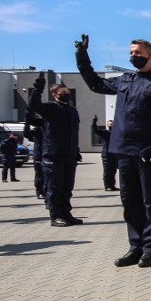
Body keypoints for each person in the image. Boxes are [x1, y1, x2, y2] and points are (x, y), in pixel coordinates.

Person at [76, 35, 151, 268]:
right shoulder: (124, 80)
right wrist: (82, 56)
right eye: (131, 53)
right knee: (130, 202)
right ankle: (135, 247)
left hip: (150, 153)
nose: (134, 56)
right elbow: (94, 84)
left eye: (138, 53)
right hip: (124, 151)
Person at [28, 80, 82, 227]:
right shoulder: (50, 108)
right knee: (54, 187)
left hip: (69, 155)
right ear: (54, 95)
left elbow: (74, 133)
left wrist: (75, 151)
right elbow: (34, 105)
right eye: (62, 93)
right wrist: (36, 91)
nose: (66, 95)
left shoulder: (72, 111)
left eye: (67, 93)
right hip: (53, 155)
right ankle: (56, 216)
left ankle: (66, 214)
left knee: (67, 188)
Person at [92, 116, 119, 191]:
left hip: (114, 155)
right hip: (106, 156)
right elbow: (95, 130)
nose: (111, 126)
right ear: (107, 125)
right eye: (110, 125)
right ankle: (107, 186)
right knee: (107, 172)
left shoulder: (116, 134)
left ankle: (112, 185)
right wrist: (94, 122)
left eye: (112, 125)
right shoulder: (105, 133)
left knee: (113, 171)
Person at [23, 115, 46, 198]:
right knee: (39, 175)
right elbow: (26, 134)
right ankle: (39, 192)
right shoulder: (37, 131)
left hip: (48, 155)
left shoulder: (49, 129)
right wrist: (27, 124)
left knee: (48, 175)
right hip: (39, 156)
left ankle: (47, 191)